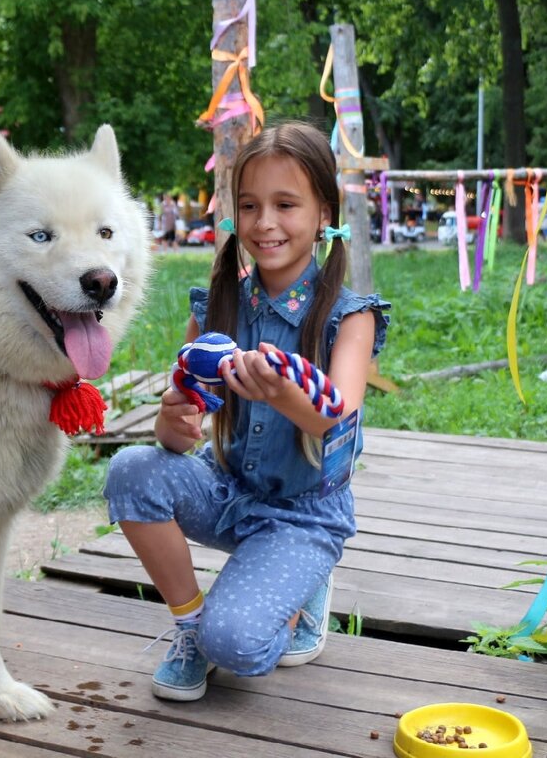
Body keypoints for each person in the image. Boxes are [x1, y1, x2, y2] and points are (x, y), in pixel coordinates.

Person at [103, 121, 390, 701]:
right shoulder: (217, 307)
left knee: (237, 647)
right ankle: (187, 626)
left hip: (303, 515)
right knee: (130, 470)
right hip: (227, 490)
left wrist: (283, 393)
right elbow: (182, 434)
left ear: (323, 211)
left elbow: (337, 423)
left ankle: (302, 591)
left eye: (286, 205)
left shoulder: (348, 317)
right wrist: (171, 420)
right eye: (251, 205)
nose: (265, 224)